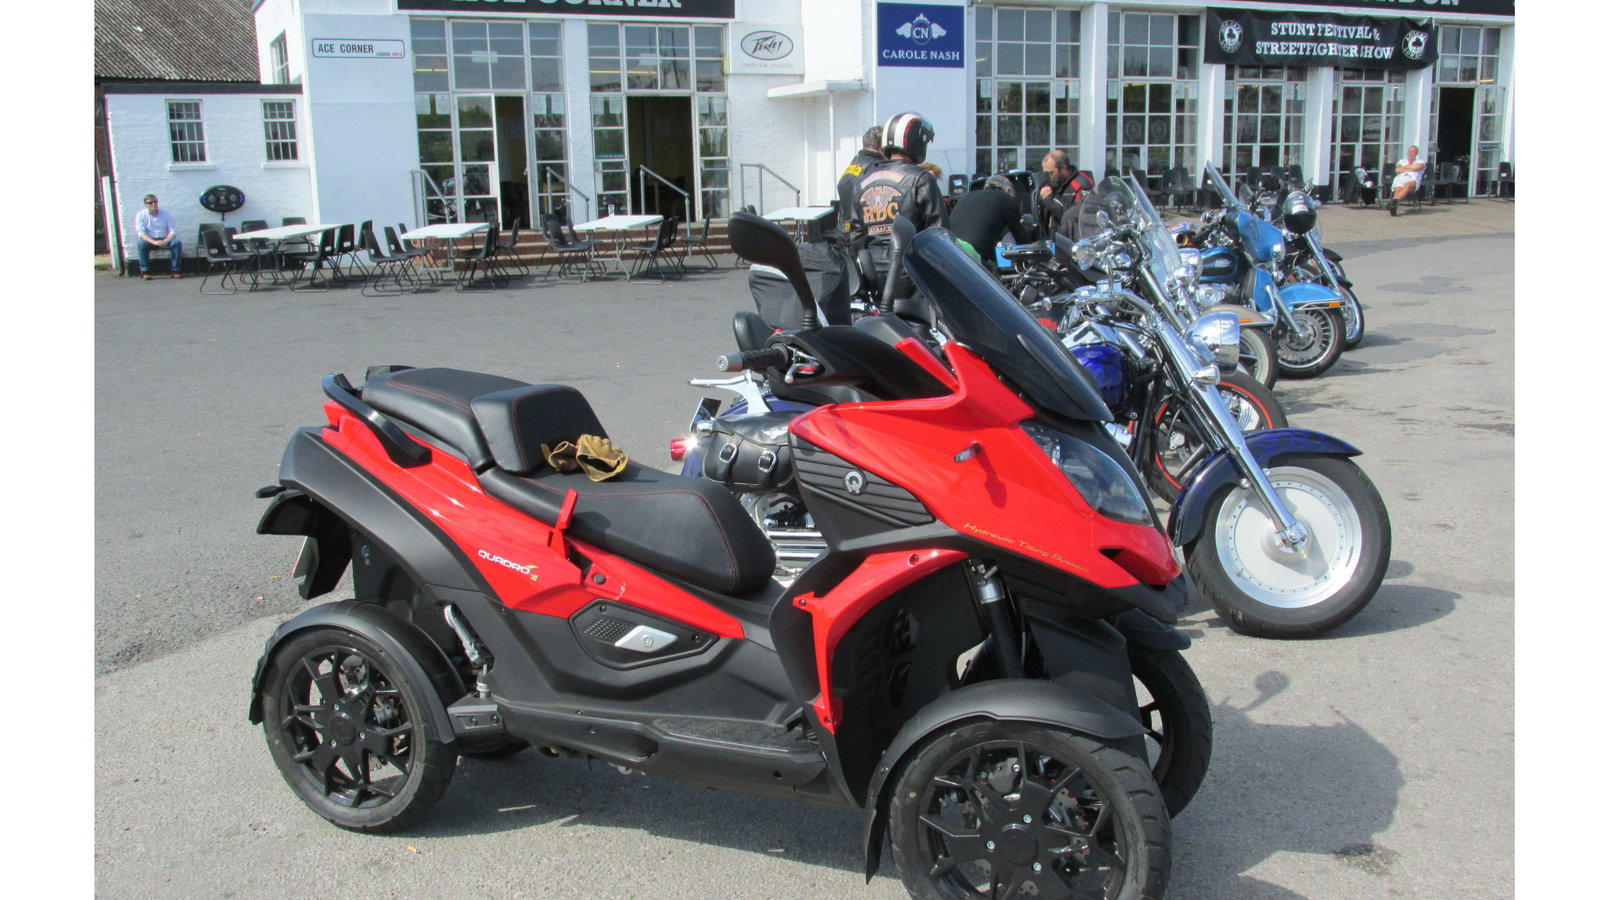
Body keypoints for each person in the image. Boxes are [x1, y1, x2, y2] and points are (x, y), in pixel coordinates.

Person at [949, 175, 1026, 270]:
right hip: (972, 254)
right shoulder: (1006, 199)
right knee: (994, 275)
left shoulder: (966, 196)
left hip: (951, 248)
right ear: (1007, 190)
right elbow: (1020, 236)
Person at [836, 125, 886, 234]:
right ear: (882, 146)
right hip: (861, 234)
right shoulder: (876, 166)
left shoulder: (854, 163)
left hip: (843, 230)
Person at [1036, 150, 1095, 240]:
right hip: (1051, 238)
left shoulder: (1082, 184)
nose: (1049, 177)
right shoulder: (1052, 182)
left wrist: (1048, 200)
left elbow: (1075, 216)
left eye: (1051, 173)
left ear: (1063, 168)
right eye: (1046, 173)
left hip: (1070, 240)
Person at [134, 194, 184, 279]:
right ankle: (145, 272)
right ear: (146, 205)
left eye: (155, 202)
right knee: (141, 244)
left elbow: (173, 231)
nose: (153, 204)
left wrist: (166, 240)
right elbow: (141, 233)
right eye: (150, 203)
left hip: (165, 238)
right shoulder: (141, 215)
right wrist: (153, 242)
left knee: (176, 243)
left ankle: (176, 271)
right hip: (150, 240)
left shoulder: (166, 214)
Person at [1389, 145, 1426, 216]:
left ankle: (1393, 201)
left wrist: (1404, 168)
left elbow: (1419, 167)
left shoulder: (1421, 162)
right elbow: (1397, 170)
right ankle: (1394, 206)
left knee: (1408, 185)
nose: (1410, 153)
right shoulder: (1401, 161)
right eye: (1409, 151)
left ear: (1416, 153)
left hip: (1413, 179)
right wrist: (1412, 168)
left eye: (1412, 151)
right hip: (1400, 178)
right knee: (1398, 189)